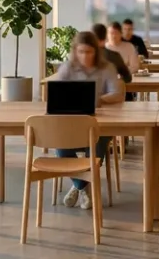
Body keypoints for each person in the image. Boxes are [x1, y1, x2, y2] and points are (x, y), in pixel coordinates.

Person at [47, 30, 124, 210]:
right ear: (75, 51)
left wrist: (99, 99)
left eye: (89, 52)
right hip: (71, 120)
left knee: (98, 142)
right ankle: (83, 186)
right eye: (81, 52)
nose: (85, 56)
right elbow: (58, 94)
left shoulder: (107, 68)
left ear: (96, 52)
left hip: (99, 122)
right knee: (59, 142)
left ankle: (78, 187)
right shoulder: (67, 68)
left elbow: (118, 94)